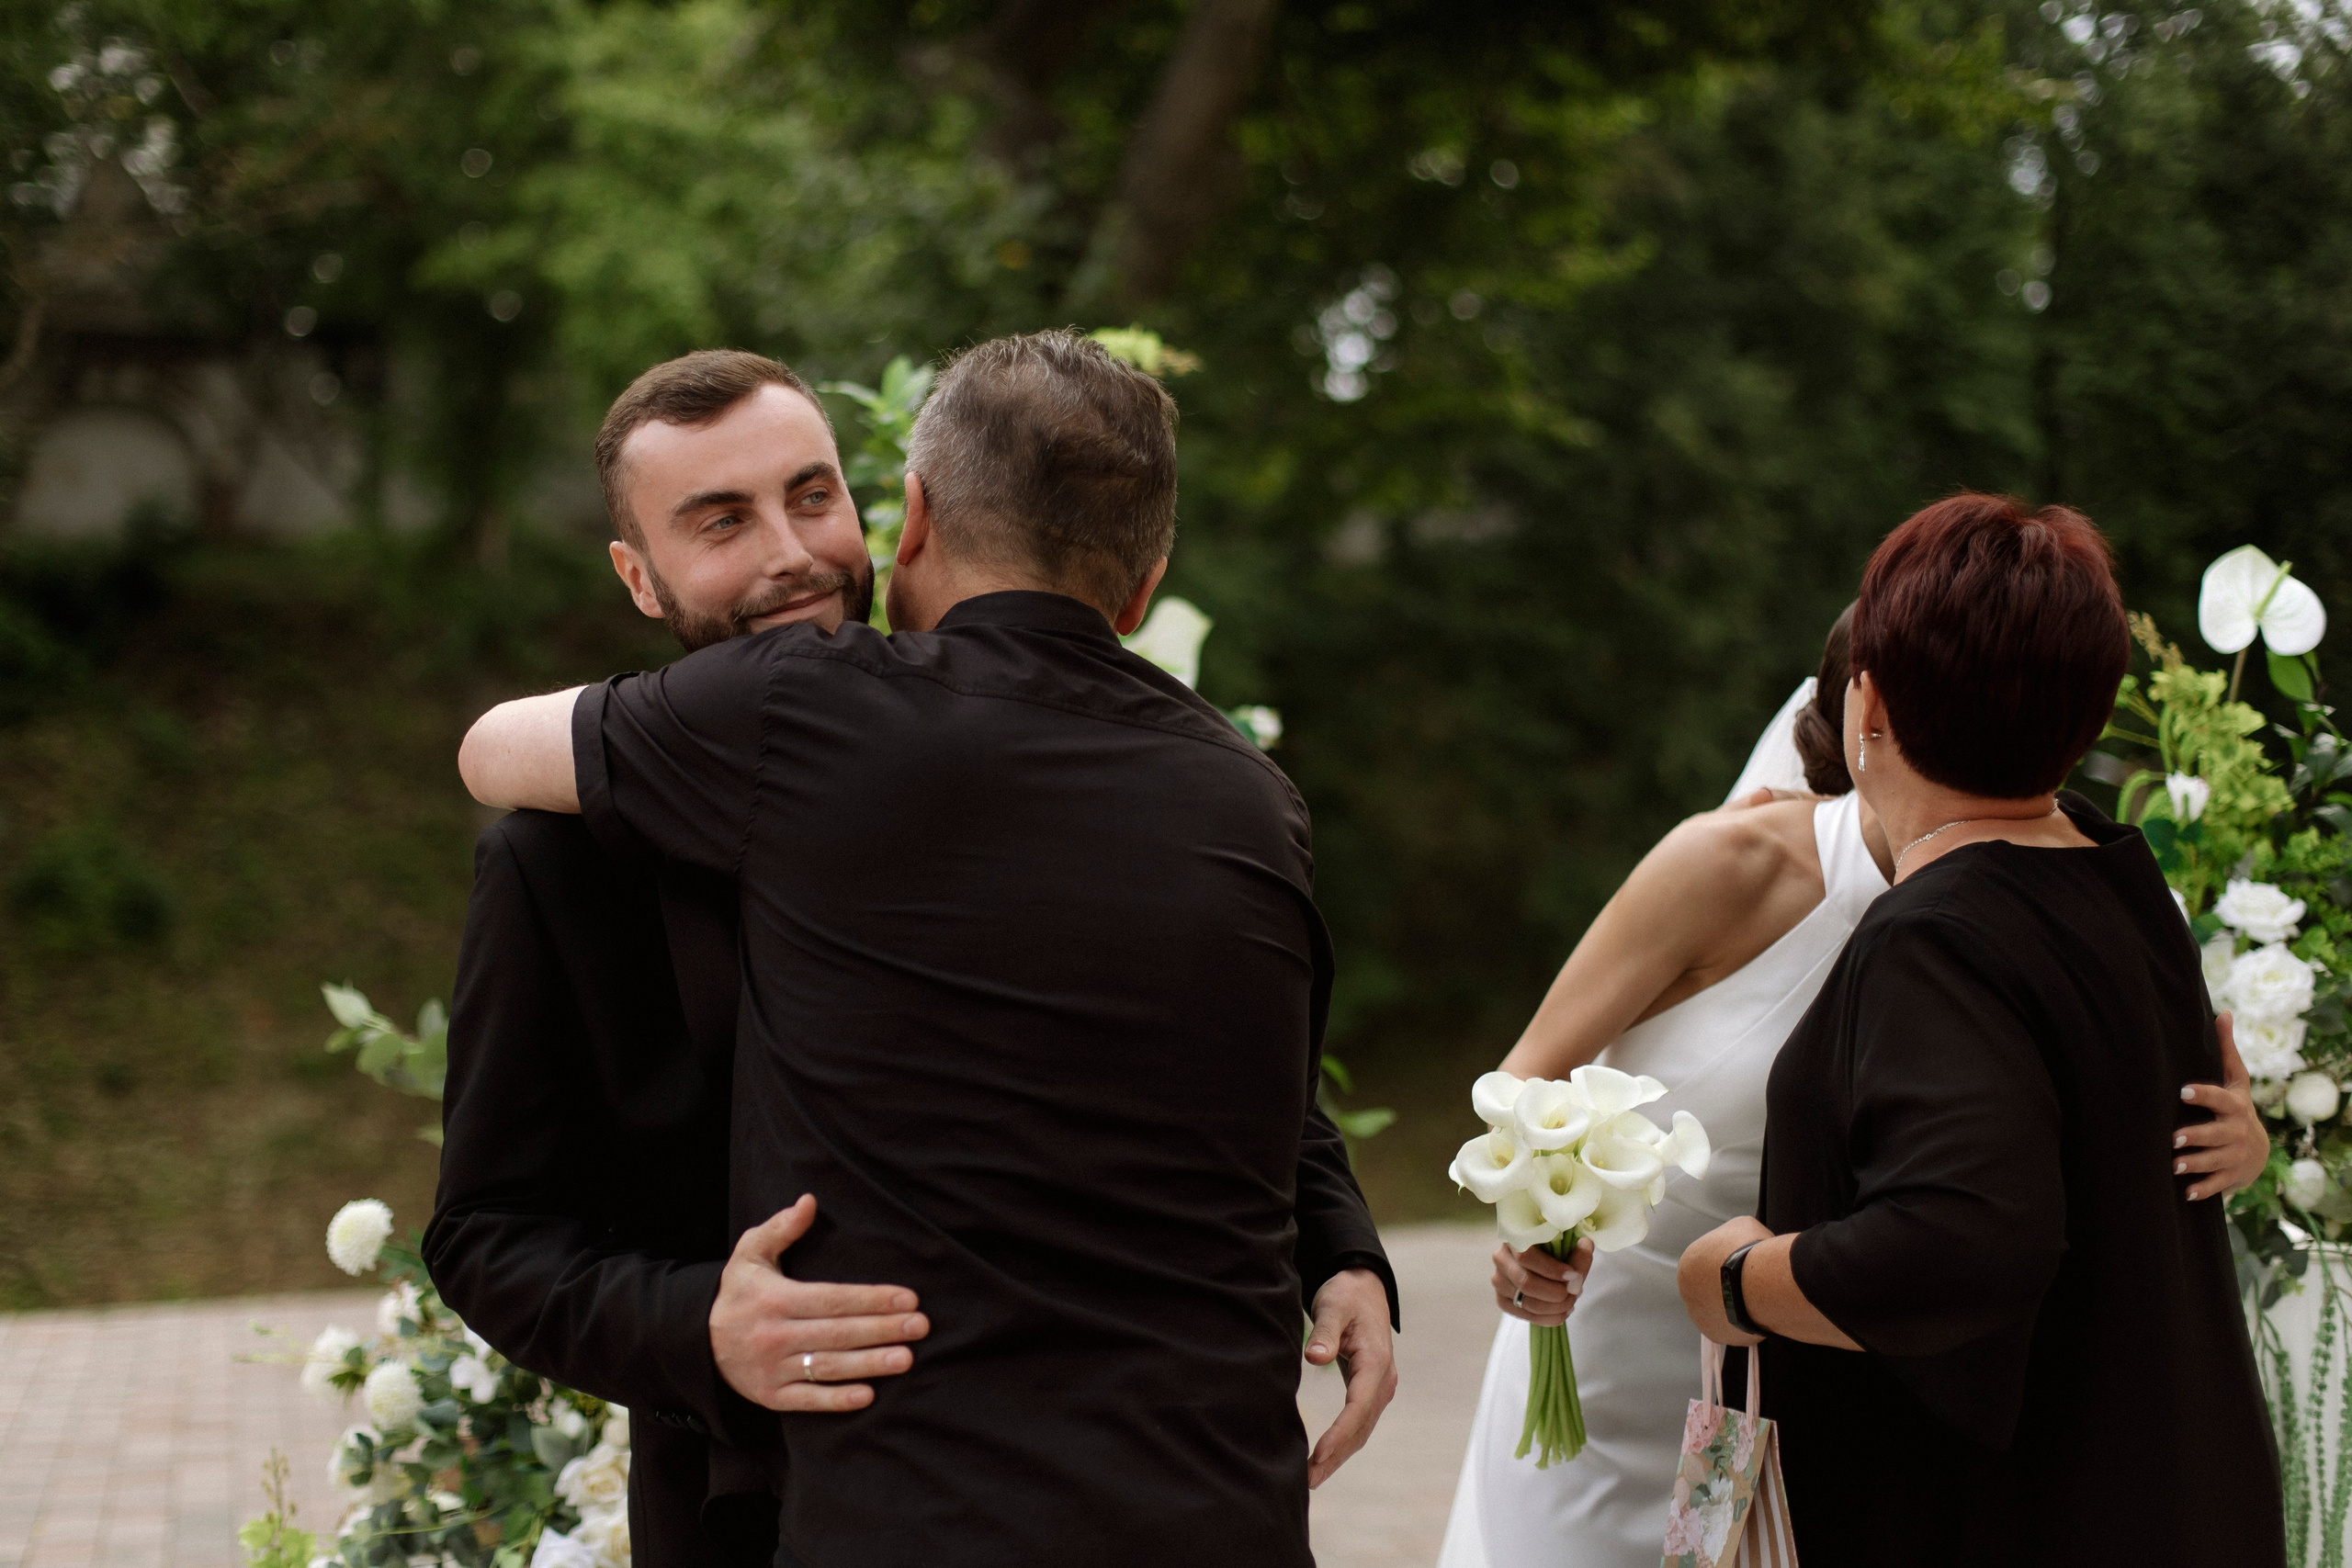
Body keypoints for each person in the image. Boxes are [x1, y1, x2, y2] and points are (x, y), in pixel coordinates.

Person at [425, 348, 1397, 1563]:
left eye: (813, 494)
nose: (788, 550)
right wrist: (699, 1327)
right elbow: (485, 1230)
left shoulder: (1012, 753)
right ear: (639, 573)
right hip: (761, 1509)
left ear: (893, 508)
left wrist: (1338, 1239)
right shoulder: (557, 864)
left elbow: (1210, 1053)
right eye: (722, 519)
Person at [1439, 605, 2267, 1568]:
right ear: (1865, 715)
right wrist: (1536, 1231)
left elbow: (2081, 1134)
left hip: (1834, 1345)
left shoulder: (2048, 894)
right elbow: (1524, 1085)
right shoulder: (1730, 864)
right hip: (1622, 1357)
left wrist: (2239, 1137)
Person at [1678, 494, 2286, 1566]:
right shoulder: (2116, 881)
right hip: (2166, 1483)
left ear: (1867, 712)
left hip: (2012, 1514)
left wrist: (1735, 1278)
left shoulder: (1938, 937)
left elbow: (1957, 1246)